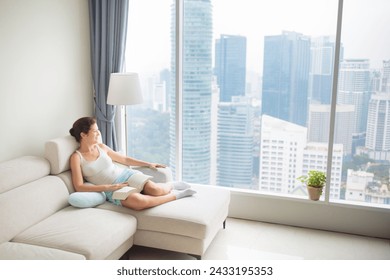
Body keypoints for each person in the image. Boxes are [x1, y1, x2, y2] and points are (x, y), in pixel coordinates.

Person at [69, 117, 196, 210]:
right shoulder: (76, 157)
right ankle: (177, 195)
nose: (99, 133)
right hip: (111, 189)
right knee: (139, 202)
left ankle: (171, 185)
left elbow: (123, 159)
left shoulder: (101, 147)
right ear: (83, 135)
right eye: (95, 131)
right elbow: (79, 186)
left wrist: (148, 163)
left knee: (155, 190)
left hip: (126, 175)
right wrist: (108, 187)